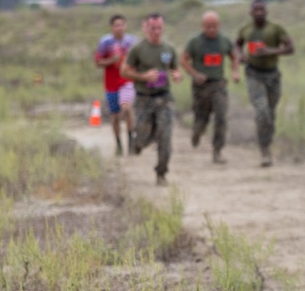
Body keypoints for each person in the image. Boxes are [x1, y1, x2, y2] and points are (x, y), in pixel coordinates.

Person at [121, 13, 182, 186]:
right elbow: (124, 71)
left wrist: (177, 75)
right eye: (152, 28)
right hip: (144, 98)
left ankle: (161, 173)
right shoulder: (138, 49)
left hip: (164, 97)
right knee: (142, 133)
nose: (156, 32)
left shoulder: (169, 49)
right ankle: (138, 142)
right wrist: (144, 76)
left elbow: (175, 69)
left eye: (159, 28)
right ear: (146, 28)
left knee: (166, 136)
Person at [236, 0, 294, 167]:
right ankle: (265, 150)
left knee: (270, 113)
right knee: (262, 111)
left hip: (273, 75)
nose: (259, 13)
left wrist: (271, 50)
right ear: (251, 12)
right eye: (256, 10)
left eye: (262, 9)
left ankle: (267, 139)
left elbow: (290, 48)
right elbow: (237, 44)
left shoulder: (275, 29)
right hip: (254, 74)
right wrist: (240, 55)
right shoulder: (246, 29)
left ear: (267, 11)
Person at [180, 11, 239, 164]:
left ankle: (217, 151)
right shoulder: (195, 42)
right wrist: (195, 73)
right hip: (201, 87)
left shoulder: (224, 41)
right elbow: (183, 60)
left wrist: (235, 72)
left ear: (218, 26)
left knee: (221, 117)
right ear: (202, 26)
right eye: (208, 26)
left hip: (218, 84)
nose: (211, 29)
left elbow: (234, 57)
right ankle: (197, 133)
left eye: (214, 26)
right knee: (201, 118)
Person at [94, 14, 138, 156]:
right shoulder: (105, 42)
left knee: (126, 107)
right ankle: (119, 144)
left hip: (127, 81)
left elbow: (140, 60)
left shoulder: (132, 41)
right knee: (115, 115)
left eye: (122, 25)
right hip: (111, 83)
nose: (119, 28)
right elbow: (98, 62)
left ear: (125, 26)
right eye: (116, 25)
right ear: (112, 27)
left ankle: (131, 140)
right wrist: (112, 60)